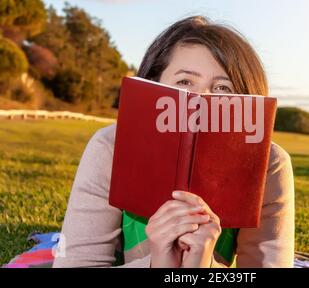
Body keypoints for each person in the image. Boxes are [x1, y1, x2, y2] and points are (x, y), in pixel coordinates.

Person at [52, 15, 295, 268]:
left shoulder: (271, 162)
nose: (200, 100)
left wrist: (204, 267)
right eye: (185, 82)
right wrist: (156, 264)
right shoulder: (108, 146)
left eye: (223, 88)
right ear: (154, 83)